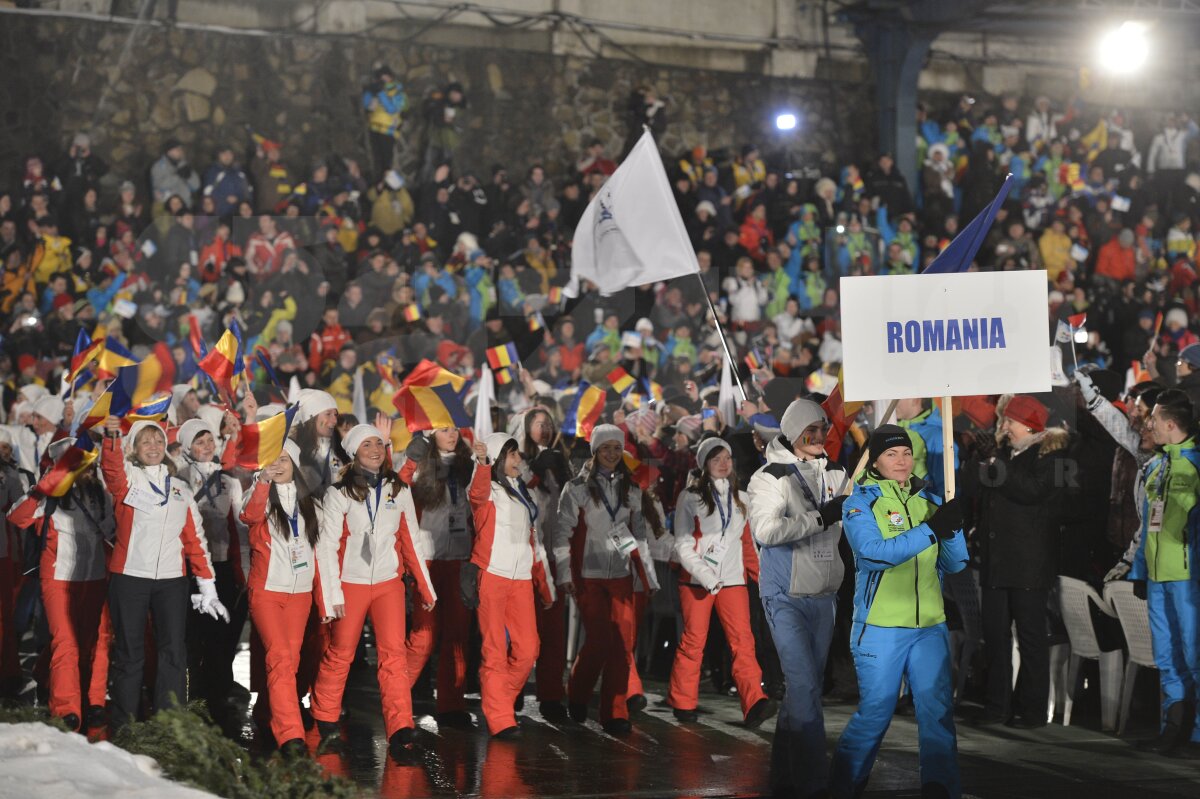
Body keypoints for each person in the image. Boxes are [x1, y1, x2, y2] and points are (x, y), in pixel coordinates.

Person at [831, 424, 968, 799]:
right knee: (876, 712)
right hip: (880, 626)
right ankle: (844, 785)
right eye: (891, 453)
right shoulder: (859, 503)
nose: (902, 460)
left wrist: (952, 529)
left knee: (936, 712)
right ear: (874, 461)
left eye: (906, 453)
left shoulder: (930, 501)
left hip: (929, 627)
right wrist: (932, 530)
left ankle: (940, 787)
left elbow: (956, 564)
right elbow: (874, 554)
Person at [312, 422, 436, 760]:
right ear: (354, 453)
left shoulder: (399, 490)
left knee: (394, 656)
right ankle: (325, 718)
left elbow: (410, 539)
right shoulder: (338, 493)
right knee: (341, 653)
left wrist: (425, 587)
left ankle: (400, 728)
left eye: (379, 444)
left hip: (387, 584)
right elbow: (326, 547)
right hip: (350, 584)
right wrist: (331, 596)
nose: (375, 450)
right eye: (367, 445)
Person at [747, 399, 849, 798]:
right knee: (804, 686)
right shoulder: (769, 477)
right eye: (811, 430)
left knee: (803, 688)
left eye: (822, 429)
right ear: (793, 434)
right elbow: (766, 531)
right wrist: (822, 516)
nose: (819, 436)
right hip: (784, 594)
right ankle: (814, 783)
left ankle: (784, 776)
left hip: (824, 594)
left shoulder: (838, 473)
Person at [100, 418, 226, 732]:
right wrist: (112, 438)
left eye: (158, 441)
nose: (154, 447)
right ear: (134, 448)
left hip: (171, 581)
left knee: (173, 652)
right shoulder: (128, 480)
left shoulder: (180, 488)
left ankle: (169, 722)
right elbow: (112, 469)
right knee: (130, 653)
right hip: (130, 576)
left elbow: (194, 539)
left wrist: (207, 584)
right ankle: (125, 724)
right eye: (145, 441)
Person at [968, 394, 1065, 729]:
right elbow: (979, 492)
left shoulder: (1051, 457)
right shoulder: (1004, 453)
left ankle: (1032, 710)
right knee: (995, 637)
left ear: (1030, 425)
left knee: (1030, 638)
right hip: (997, 561)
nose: (1004, 426)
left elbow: (1031, 491)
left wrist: (995, 460)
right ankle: (997, 706)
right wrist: (981, 459)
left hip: (1028, 564)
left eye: (1010, 420)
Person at [8, 438, 113, 731]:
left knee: (92, 642)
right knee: (66, 643)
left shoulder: (101, 493)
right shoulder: (47, 495)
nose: (87, 469)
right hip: (58, 577)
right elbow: (17, 517)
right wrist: (45, 486)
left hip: (94, 578)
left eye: (89, 463)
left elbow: (112, 532)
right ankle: (66, 709)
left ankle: (92, 700)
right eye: (79, 463)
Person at [670, 436, 775, 727]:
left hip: (732, 580)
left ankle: (754, 702)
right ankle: (683, 702)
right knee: (694, 641)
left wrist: (762, 579)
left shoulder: (741, 498)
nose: (723, 464)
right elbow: (682, 544)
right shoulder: (690, 497)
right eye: (715, 459)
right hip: (696, 580)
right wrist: (705, 576)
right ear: (704, 464)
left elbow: (747, 544)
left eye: (726, 458)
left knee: (743, 641)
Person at [554, 424, 650, 735]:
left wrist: (646, 575)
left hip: (621, 575)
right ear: (595, 451)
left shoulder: (631, 489)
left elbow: (639, 535)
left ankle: (615, 712)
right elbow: (562, 533)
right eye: (605, 447)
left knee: (622, 644)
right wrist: (565, 573)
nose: (611, 453)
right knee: (598, 641)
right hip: (588, 576)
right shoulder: (576, 488)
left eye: (616, 448)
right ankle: (578, 693)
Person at [240, 440, 329, 754]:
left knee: (288, 663)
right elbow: (248, 516)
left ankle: (267, 713)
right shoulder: (259, 496)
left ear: (295, 465)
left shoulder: (313, 505)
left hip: (300, 595)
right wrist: (262, 480)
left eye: (284, 460)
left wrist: (325, 599)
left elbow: (322, 556)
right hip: (267, 592)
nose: (278, 466)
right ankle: (291, 735)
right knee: (279, 657)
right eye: (272, 460)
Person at [465, 432, 555, 738]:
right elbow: (476, 492)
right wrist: (482, 463)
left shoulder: (522, 491)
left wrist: (544, 585)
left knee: (529, 650)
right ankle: (501, 719)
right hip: (492, 574)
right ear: (498, 458)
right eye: (512, 454)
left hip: (521, 579)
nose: (519, 459)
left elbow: (533, 541)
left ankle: (498, 701)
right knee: (494, 651)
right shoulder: (487, 489)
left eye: (518, 454)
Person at [1128, 389, 1200, 757]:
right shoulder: (1156, 467)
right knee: (1167, 654)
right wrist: (1139, 571)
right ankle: (1172, 729)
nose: (1148, 424)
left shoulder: (1195, 465)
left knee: (1194, 655)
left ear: (1171, 424)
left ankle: (1196, 735)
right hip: (1158, 578)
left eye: (1153, 419)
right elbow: (1147, 528)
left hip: (1188, 580)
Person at [400, 427, 478, 728]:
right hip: (427, 560)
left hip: (459, 557)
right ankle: (396, 699)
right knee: (424, 636)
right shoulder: (420, 464)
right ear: (431, 434)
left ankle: (451, 704)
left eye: (454, 429)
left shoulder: (467, 466)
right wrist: (410, 459)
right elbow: (396, 490)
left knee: (457, 636)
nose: (452, 434)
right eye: (444, 430)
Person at [176, 418, 247, 715]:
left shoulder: (229, 481)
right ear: (187, 447)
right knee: (193, 634)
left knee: (223, 632)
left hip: (223, 565)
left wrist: (244, 568)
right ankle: (194, 693)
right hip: (190, 568)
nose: (207, 446)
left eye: (209, 440)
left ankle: (220, 690)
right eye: (199, 441)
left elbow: (240, 527)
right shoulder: (178, 478)